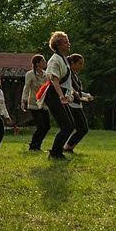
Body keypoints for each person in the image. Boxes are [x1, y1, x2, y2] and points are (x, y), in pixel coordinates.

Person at [43, 31, 78, 160]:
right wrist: (61, 96)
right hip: (54, 95)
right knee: (66, 125)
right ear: (58, 45)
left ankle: (56, 152)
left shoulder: (63, 59)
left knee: (70, 125)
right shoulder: (55, 59)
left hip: (60, 94)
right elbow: (55, 80)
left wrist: (69, 94)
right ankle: (55, 153)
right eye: (65, 42)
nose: (69, 44)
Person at [63, 54, 93, 151]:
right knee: (81, 128)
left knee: (82, 129)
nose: (81, 66)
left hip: (77, 105)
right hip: (72, 105)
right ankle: (67, 147)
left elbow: (78, 91)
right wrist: (83, 98)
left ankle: (68, 147)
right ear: (72, 63)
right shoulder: (69, 74)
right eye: (80, 63)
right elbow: (72, 91)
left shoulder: (74, 75)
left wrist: (86, 95)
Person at [21, 55, 51, 151]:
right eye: (43, 61)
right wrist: (23, 101)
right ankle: (34, 146)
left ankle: (38, 145)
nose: (45, 63)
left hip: (44, 104)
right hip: (34, 104)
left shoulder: (46, 75)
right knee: (40, 126)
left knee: (47, 126)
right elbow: (26, 88)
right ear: (37, 63)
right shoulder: (30, 74)